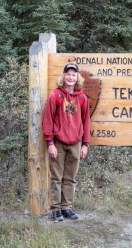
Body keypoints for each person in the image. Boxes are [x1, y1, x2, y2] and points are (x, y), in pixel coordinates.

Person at [42, 63, 90, 222]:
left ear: (77, 78)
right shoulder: (55, 96)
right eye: (68, 74)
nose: (71, 77)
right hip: (58, 143)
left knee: (70, 178)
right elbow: (47, 120)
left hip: (76, 143)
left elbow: (86, 122)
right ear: (63, 77)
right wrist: (50, 143)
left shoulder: (82, 98)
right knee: (57, 177)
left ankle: (66, 207)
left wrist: (85, 144)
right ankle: (56, 210)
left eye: (74, 74)